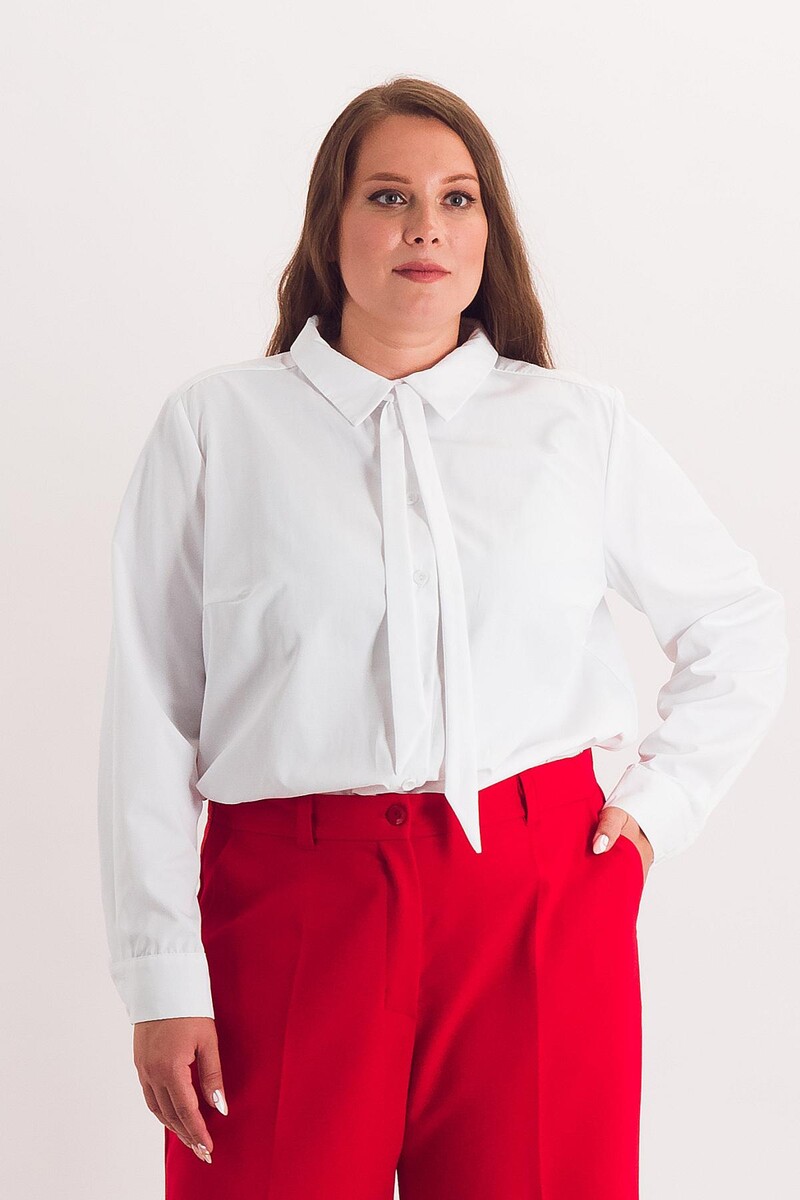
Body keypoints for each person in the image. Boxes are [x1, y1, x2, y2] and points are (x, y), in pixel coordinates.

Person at [96, 77, 789, 1200]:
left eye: (457, 199)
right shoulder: (219, 427)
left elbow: (738, 624)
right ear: (330, 227)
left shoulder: (573, 426)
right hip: (289, 912)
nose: (426, 225)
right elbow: (151, 709)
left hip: (539, 903)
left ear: (488, 230)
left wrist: (656, 813)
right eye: (389, 196)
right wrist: (161, 974)